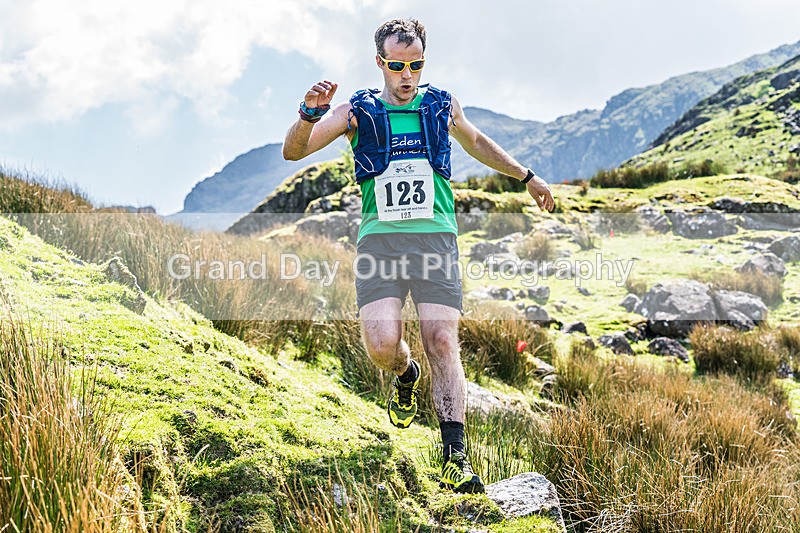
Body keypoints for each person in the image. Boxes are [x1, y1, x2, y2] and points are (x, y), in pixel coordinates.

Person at [283, 18, 554, 494]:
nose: (406, 74)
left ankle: (454, 455)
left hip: (435, 241)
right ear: (380, 64)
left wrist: (526, 175)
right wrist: (307, 113)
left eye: (415, 65)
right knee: (382, 345)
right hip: (380, 244)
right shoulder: (355, 112)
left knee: (442, 340)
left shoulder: (442, 104)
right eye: (396, 66)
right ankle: (406, 372)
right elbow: (293, 153)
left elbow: (476, 142)